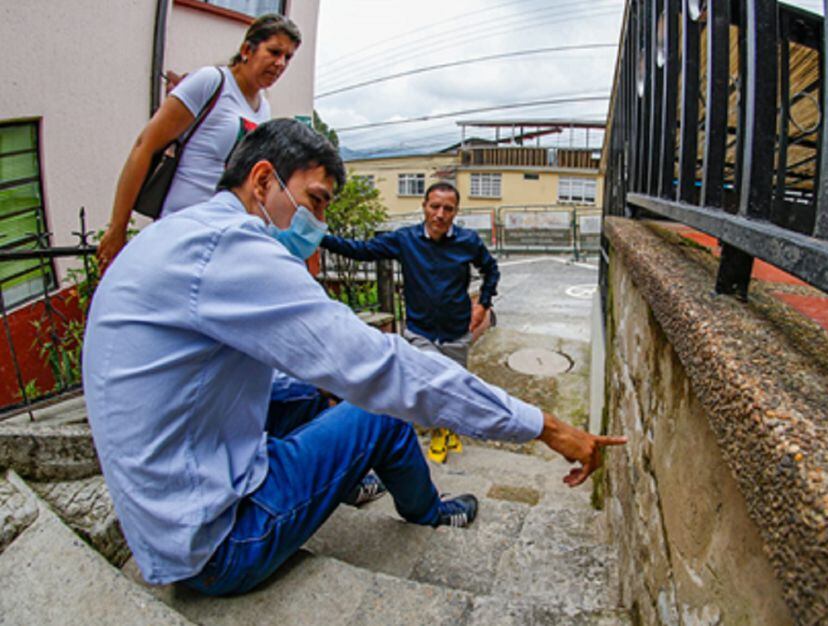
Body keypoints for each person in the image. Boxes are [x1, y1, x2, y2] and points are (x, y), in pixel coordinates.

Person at [81, 119, 624, 597]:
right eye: (315, 200)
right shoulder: (230, 249)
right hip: (217, 544)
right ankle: (430, 511)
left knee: (320, 390)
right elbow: (384, 366)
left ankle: (348, 477)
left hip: (163, 514)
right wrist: (542, 425)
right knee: (382, 412)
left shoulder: (180, 233)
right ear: (263, 180)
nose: (317, 221)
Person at [97, 13, 302, 270]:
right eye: (274, 52)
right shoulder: (210, 83)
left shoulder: (264, 110)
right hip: (180, 231)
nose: (280, 63)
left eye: (288, 57)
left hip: (223, 239)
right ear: (247, 50)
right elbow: (144, 146)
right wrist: (118, 228)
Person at [321, 182, 496, 463]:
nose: (440, 214)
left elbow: (491, 270)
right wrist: (320, 237)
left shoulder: (468, 242)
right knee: (431, 383)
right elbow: (360, 250)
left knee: (455, 384)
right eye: (434, 206)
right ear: (424, 207)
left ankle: (450, 429)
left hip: (456, 330)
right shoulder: (405, 240)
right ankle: (440, 432)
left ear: (456, 212)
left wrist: (483, 304)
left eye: (447, 209)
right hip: (421, 330)